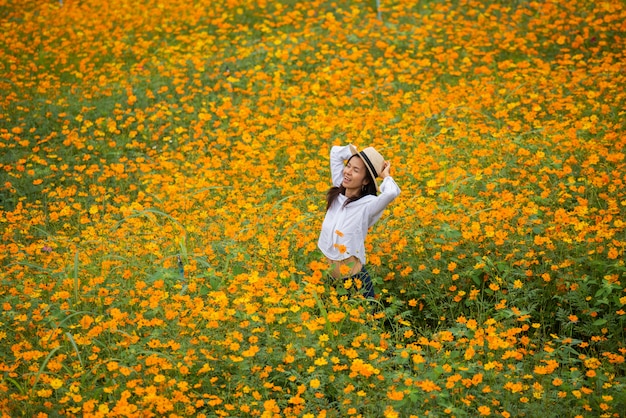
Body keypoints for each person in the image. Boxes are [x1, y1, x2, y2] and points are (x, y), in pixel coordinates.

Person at [317, 144, 401, 299]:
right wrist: (355, 151)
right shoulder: (339, 189)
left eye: (355, 170)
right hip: (330, 280)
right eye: (348, 166)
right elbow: (335, 153)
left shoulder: (369, 205)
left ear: (365, 181)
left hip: (355, 284)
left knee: (369, 322)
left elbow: (392, 192)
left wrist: (385, 175)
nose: (347, 172)